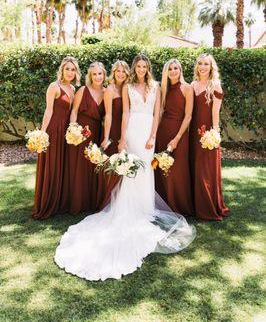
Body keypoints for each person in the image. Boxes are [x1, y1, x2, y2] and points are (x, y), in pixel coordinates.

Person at [55, 54, 195, 281]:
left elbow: (157, 114)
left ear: (148, 68)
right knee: (131, 172)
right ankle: (129, 207)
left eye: (144, 66)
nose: (141, 69)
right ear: (134, 68)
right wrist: (121, 138)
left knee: (145, 170)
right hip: (131, 132)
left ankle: (145, 208)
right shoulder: (128, 87)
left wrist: (153, 136)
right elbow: (126, 113)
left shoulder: (156, 86)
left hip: (148, 132)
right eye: (138, 66)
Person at [32, 56, 80, 219]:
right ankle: (46, 202)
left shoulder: (73, 89)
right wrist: (42, 133)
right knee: (51, 165)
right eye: (67, 69)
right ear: (62, 69)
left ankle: (59, 201)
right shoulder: (55, 86)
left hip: (65, 133)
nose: (70, 72)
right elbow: (49, 110)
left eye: (73, 70)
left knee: (62, 165)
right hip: (53, 130)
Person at [190, 53, 229, 221]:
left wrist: (214, 134)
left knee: (206, 169)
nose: (203, 67)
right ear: (197, 66)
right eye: (201, 64)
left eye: (206, 64)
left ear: (211, 67)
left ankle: (209, 205)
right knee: (195, 167)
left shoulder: (215, 85)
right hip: (193, 131)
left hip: (207, 133)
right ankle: (196, 204)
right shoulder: (192, 85)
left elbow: (215, 112)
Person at [63, 61, 105, 215]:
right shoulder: (83, 90)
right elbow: (73, 111)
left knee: (92, 166)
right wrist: (74, 130)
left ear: (104, 75)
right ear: (90, 76)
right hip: (80, 133)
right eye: (94, 74)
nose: (97, 77)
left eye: (100, 73)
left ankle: (90, 202)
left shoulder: (107, 92)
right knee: (78, 167)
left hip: (96, 132)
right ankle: (76, 201)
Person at [155, 59, 194, 216]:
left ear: (180, 70)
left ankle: (179, 206)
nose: (173, 71)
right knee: (162, 168)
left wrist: (177, 138)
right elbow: (159, 112)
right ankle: (163, 206)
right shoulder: (162, 88)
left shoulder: (187, 88)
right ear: (166, 71)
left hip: (179, 133)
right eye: (170, 68)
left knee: (178, 170)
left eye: (176, 68)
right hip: (163, 131)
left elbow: (188, 115)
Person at [96, 60, 130, 210]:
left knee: (128, 165)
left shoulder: (130, 88)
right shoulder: (110, 89)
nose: (121, 74)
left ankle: (127, 201)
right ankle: (111, 203)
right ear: (113, 73)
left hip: (130, 129)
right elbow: (108, 115)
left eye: (123, 71)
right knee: (115, 166)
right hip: (115, 130)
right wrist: (106, 137)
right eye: (118, 71)